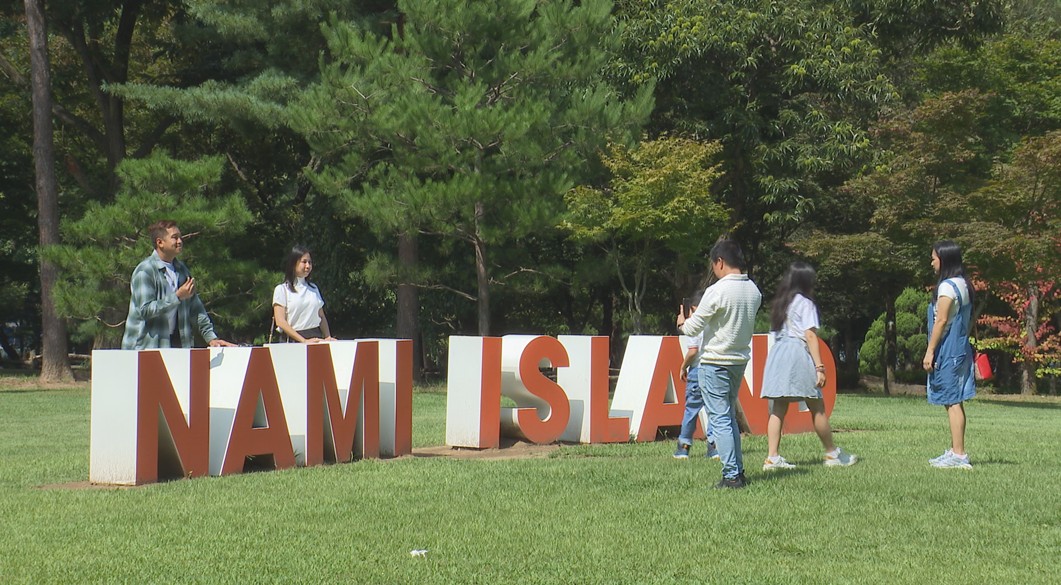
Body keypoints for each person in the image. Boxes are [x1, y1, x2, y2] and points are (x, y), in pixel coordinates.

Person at [677, 239, 762, 489]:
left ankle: (732, 475)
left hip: (714, 362)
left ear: (720, 262)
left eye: (713, 265)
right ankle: (738, 471)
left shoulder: (716, 291)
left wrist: (682, 322)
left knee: (720, 419)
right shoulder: (753, 290)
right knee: (729, 417)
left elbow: (693, 328)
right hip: (738, 361)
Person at [759, 262, 857, 471]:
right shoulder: (805, 303)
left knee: (778, 407)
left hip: (777, 353)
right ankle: (832, 454)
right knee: (816, 405)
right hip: (796, 352)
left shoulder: (781, 304)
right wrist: (819, 367)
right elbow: (810, 335)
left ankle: (772, 457)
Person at [122, 220, 236, 349]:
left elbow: (196, 309)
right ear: (160, 243)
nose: (180, 241)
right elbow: (145, 310)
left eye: (180, 237)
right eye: (174, 237)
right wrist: (177, 297)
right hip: (143, 349)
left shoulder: (182, 270)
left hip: (176, 345)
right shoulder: (145, 271)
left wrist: (211, 339)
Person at [922, 240, 975, 469]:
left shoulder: (946, 287)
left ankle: (959, 455)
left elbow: (941, 320)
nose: (932, 262)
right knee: (953, 400)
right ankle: (955, 450)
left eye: (934, 258)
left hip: (948, 349)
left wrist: (930, 351)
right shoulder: (963, 283)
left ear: (944, 260)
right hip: (960, 347)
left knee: (952, 401)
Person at [673, 290, 719, 461]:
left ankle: (683, 448)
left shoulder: (694, 323)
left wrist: (683, 367)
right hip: (712, 368)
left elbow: (693, 351)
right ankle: (714, 448)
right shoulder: (714, 321)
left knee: (691, 410)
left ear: (692, 308)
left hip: (697, 371)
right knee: (714, 410)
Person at [272, 245, 336, 343]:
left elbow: (321, 316)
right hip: (292, 341)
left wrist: (327, 337)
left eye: (310, 262)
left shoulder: (313, 288)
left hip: (315, 338)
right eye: (304, 262)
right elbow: (280, 321)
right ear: (293, 263)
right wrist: (303, 341)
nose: (308, 266)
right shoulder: (282, 290)